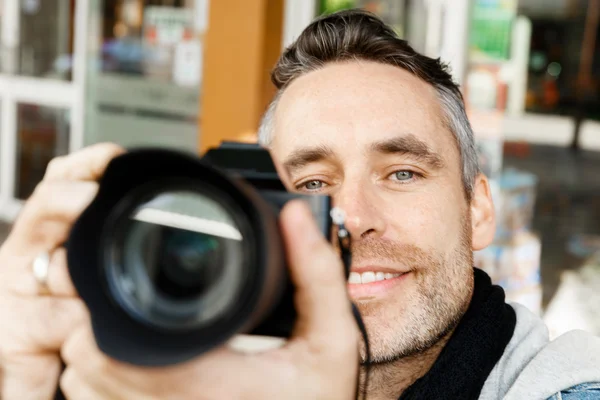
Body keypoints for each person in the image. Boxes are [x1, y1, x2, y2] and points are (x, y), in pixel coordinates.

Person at [1, 9, 600, 400]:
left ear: (477, 210)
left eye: (402, 171)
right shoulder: (179, 377)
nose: (355, 216)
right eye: (313, 184)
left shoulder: (568, 388)